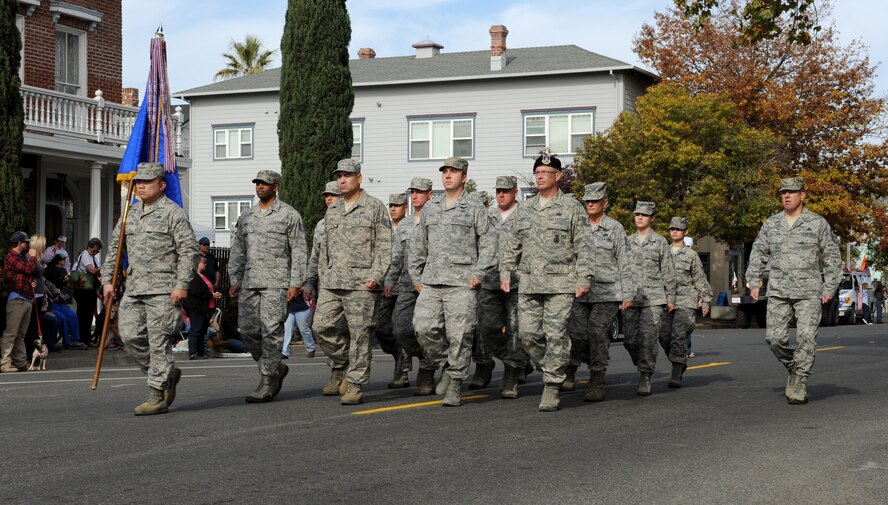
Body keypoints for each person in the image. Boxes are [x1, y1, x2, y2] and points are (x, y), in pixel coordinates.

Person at [102, 163, 198, 415]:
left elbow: (189, 251)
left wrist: (182, 284)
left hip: (164, 290)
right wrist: (107, 280)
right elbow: (115, 249)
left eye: (146, 182)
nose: (140, 186)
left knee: (158, 344)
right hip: (134, 288)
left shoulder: (173, 213)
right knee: (130, 336)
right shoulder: (130, 214)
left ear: (161, 185)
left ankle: (157, 394)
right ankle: (165, 374)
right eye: (137, 182)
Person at [500, 149, 593, 411]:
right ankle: (554, 367)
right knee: (528, 335)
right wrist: (506, 272)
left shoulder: (571, 208)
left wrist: (584, 277)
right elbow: (512, 243)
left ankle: (551, 386)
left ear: (558, 175)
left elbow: (585, 246)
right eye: (537, 173)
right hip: (529, 283)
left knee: (555, 334)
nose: (540, 177)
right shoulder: (525, 209)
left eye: (545, 173)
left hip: (561, 284)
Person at [746, 177, 842, 405]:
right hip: (778, 290)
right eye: (783, 192)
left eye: (791, 192)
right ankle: (795, 367)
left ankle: (800, 382)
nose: (786, 196)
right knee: (774, 339)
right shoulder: (771, 223)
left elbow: (832, 257)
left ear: (802, 195)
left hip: (809, 292)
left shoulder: (817, 223)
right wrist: (753, 281)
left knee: (807, 338)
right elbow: (758, 253)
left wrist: (829, 287)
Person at [410, 156, 496, 408]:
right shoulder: (431, 207)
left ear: (464, 177)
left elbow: (489, 241)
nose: (448, 175)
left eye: (453, 172)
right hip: (432, 282)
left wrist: (479, 274)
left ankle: (456, 382)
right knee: (423, 329)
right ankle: (447, 363)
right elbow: (418, 245)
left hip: (462, 283)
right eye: (445, 171)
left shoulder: (474, 206)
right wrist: (417, 277)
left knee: (460, 334)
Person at [313, 159, 390, 405]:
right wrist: (323, 276)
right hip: (333, 281)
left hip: (362, 283)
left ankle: (355, 384)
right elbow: (325, 248)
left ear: (359, 177)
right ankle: (346, 361)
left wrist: (376, 275)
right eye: (340, 176)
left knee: (360, 335)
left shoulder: (375, 207)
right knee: (321, 327)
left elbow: (385, 246)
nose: (342, 180)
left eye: (347, 175)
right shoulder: (333, 209)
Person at [229, 169, 307, 403]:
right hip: (250, 282)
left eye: (265, 184)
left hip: (277, 283)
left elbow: (299, 250)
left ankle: (267, 379)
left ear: (275, 187)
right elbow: (238, 250)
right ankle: (274, 368)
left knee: (272, 331)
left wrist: (296, 283)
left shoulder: (289, 215)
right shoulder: (247, 216)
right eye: (257, 183)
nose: (259, 187)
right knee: (248, 330)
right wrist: (234, 279)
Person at [566, 182, 636, 402]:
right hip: (579, 290)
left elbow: (625, 261)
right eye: (587, 201)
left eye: (595, 201)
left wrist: (628, 293)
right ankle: (583, 362)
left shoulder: (614, 228)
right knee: (577, 334)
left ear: (604, 203)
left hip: (607, 291)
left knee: (597, 333)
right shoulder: (577, 225)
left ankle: (596, 381)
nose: (590, 204)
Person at [475, 175, 530, 398]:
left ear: (515, 192)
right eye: (498, 190)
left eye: (506, 191)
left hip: (518, 282)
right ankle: (516, 360)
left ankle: (511, 373)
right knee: (487, 329)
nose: (501, 194)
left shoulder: (526, 215)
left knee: (517, 330)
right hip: (490, 281)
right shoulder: (487, 216)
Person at [389, 177, 438, 395]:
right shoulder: (406, 225)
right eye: (413, 192)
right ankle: (427, 357)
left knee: (426, 329)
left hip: (433, 285)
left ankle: (427, 370)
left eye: (420, 192)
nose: (415, 195)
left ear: (430, 194)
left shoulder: (438, 220)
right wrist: (390, 280)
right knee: (400, 328)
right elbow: (397, 257)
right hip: (408, 285)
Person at [624, 201, 677, 396]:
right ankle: (642, 361)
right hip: (631, 297)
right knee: (629, 340)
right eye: (637, 214)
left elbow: (669, 272)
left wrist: (670, 298)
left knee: (648, 338)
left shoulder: (660, 242)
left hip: (654, 298)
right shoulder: (626, 241)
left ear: (651, 218)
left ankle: (645, 375)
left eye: (644, 215)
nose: (639, 217)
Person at [658, 217, 712, 388]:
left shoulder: (691, 255)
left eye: (678, 229)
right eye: (672, 228)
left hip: (685, 300)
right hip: (666, 300)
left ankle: (676, 372)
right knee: (664, 336)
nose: (674, 231)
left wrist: (705, 300)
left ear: (685, 232)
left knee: (678, 336)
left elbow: (699, 278)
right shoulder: (662, 252)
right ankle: (680, 361)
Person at [377, 193, 413, 388]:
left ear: (404, 207)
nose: (393, 209)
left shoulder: (411, 226)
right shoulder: (383, 229)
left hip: (405, 285)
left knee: (401, 329)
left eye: (397, 205)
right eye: (391, 205)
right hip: (385, 286)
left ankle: (403, 371)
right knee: (382, 328)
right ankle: (399, 354)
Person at [2, 232, 37, 373]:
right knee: (11, 333)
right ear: (19, 243)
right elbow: (28, 269)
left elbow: (27, 273)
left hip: (26, 298)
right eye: (25, 242)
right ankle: (5, 363)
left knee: (21, 335)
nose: (27, 245)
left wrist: (31, 282)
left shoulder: (22, 258)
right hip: (17, 298)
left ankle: (20, 362)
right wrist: (33, 257)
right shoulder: (11, 256)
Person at [183, 256, 222, 359]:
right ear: (197, 263)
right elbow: (196, 290)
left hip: (206, 307)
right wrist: (211, 295)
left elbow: (208, 290)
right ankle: (193, 352)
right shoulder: (193, 276)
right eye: (203, 263)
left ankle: (201, 351)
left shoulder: (205, 276)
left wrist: (214, 294)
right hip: (196, 307)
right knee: (196, 329)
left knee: (202, 330)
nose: (205, 265)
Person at [45, 253, 81, 350]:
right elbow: (53, 283)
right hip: (51, 303)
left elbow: (65, 286)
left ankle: (75, 340)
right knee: (63, 319)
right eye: (63, 260)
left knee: (73, 316)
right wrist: (63, 280)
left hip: (61, 300)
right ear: (58, 260)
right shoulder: (49, 271)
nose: (64, 262)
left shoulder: (64, 270)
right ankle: (67, 342)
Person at [72, 238, 103, 346]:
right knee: (83, 314)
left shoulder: (92, 257)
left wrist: (98, 270)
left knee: (89, 314)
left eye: (97, 252)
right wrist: (101, 268)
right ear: (89, 247)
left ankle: (86, 338)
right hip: (82, 288)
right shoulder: (85, 255)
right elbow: (92, 270)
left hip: (89, 288)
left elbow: (97, 273)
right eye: (94, 251)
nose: (95, 253)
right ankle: (81, 338)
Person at [282, 293, 315, 359]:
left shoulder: (300, 285)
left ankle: (311, 348)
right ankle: (284, 352)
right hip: (289, 310)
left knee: (303, 329)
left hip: (303, 308)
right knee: (287, 330)